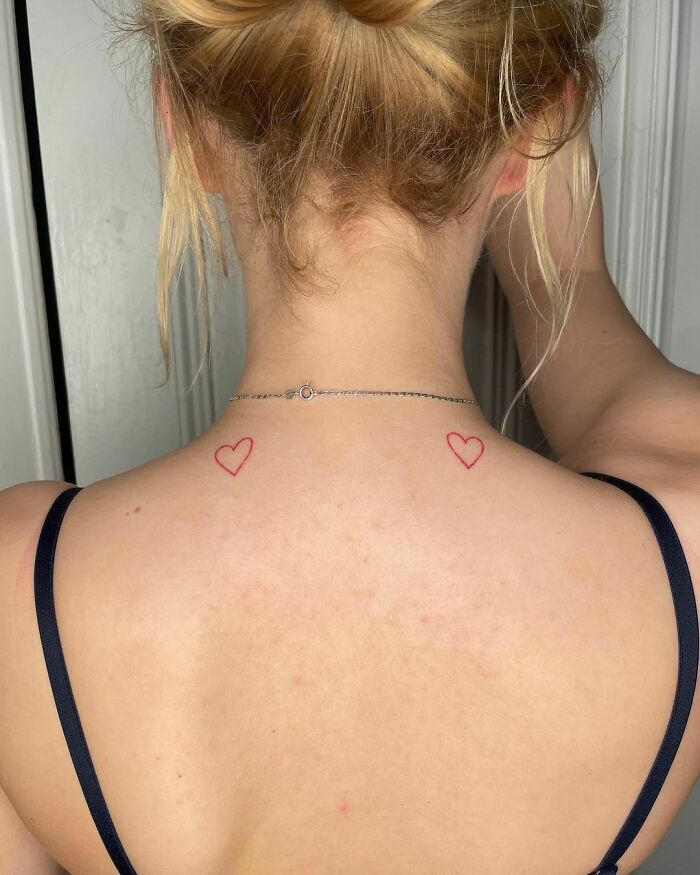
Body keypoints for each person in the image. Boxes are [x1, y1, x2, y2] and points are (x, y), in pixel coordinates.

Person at [0, 1, 698, 873]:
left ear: (180, 123)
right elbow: (620, 375)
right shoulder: (683, 547)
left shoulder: (20, 597)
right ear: (538, 130)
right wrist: (568, 267)